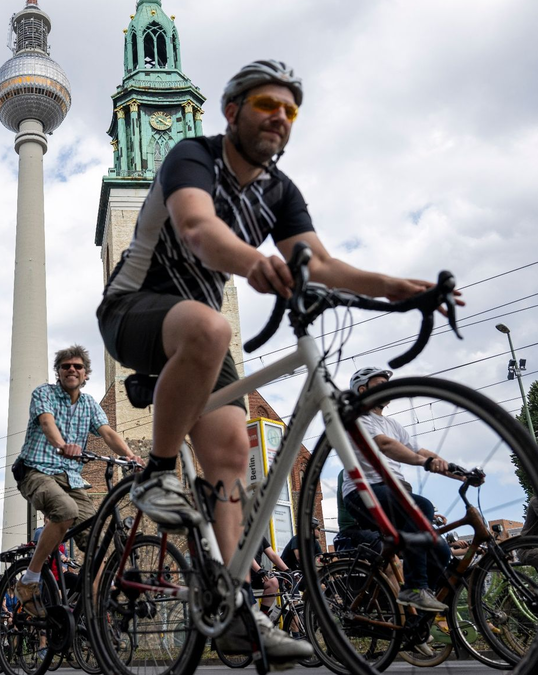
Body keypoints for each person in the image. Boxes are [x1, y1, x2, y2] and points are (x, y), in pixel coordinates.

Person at [97, 57, 448, 660]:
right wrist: (254, 262)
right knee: (210, 326)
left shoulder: (279, 191)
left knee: (233, 452)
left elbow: (325, 263)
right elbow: (198, 227)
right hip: (136, 308)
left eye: (290, 110)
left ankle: (234, 607)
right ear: (231, 112)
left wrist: (399, 288)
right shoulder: (191, 156)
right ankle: (156, 473)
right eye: (267, 105)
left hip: (200, 339)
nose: (280, 118)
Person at [14, 346, 141, 618]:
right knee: (65, 512)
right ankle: (29, 579)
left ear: (85, 375)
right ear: (58, 373)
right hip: (37, 471)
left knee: (98, 539)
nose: (72, 370)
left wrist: (130, 456)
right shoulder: (43, 394)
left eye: (78, 367)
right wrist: (62, 445)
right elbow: (47, 423)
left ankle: (95, 616)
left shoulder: (89, 404)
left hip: (72, 479)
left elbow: (107, 432)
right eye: (66, 366)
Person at [341, 367, 453, 612]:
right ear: (362, 389)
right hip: (363, 491)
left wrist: (456, 471)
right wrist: (422, 462)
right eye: (379, 383)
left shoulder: (391, 423)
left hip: (393, 491)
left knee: (441, 550)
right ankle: (414, 589)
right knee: (421, 505)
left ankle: (419, 619)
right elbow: (385, 445)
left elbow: (422, 451)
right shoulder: (358, 418)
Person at [251, 537, 290, 615]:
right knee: (250, 609)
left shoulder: (260, 537)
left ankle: (263, 615)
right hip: (241, 575)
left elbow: (272, 555)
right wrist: (259, 570)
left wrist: (287, 571)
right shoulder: (242, 533)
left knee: (273, 582)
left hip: (255, 575)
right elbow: (247, 556)